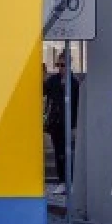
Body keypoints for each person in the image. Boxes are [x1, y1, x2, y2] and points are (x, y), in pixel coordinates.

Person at [43, 53, 80, 188]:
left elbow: (77, 105)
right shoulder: (53, 80)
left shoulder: (74, 83)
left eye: (63, 65)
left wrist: (75, 125)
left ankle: (68, 181)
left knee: (67, 152)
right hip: (55, 123)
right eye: (58, 65)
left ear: (69, 66)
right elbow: (42, 91)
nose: (60, 68)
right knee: (58, 152)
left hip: (69, 123)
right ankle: (62, 181)